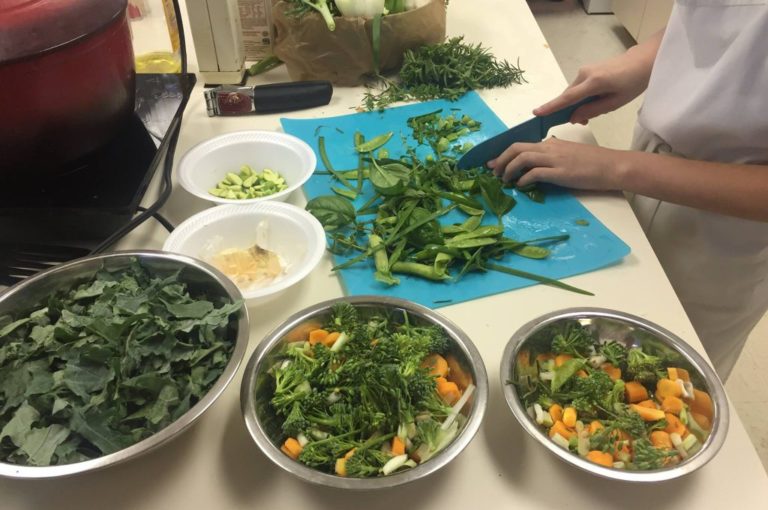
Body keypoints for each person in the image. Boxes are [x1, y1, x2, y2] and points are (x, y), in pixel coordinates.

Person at [488, 1, 768, 381]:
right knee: (597, 351)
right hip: (645, 170)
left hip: (720, 238)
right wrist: (646, 58)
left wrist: (616, 167)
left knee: (667, 383)